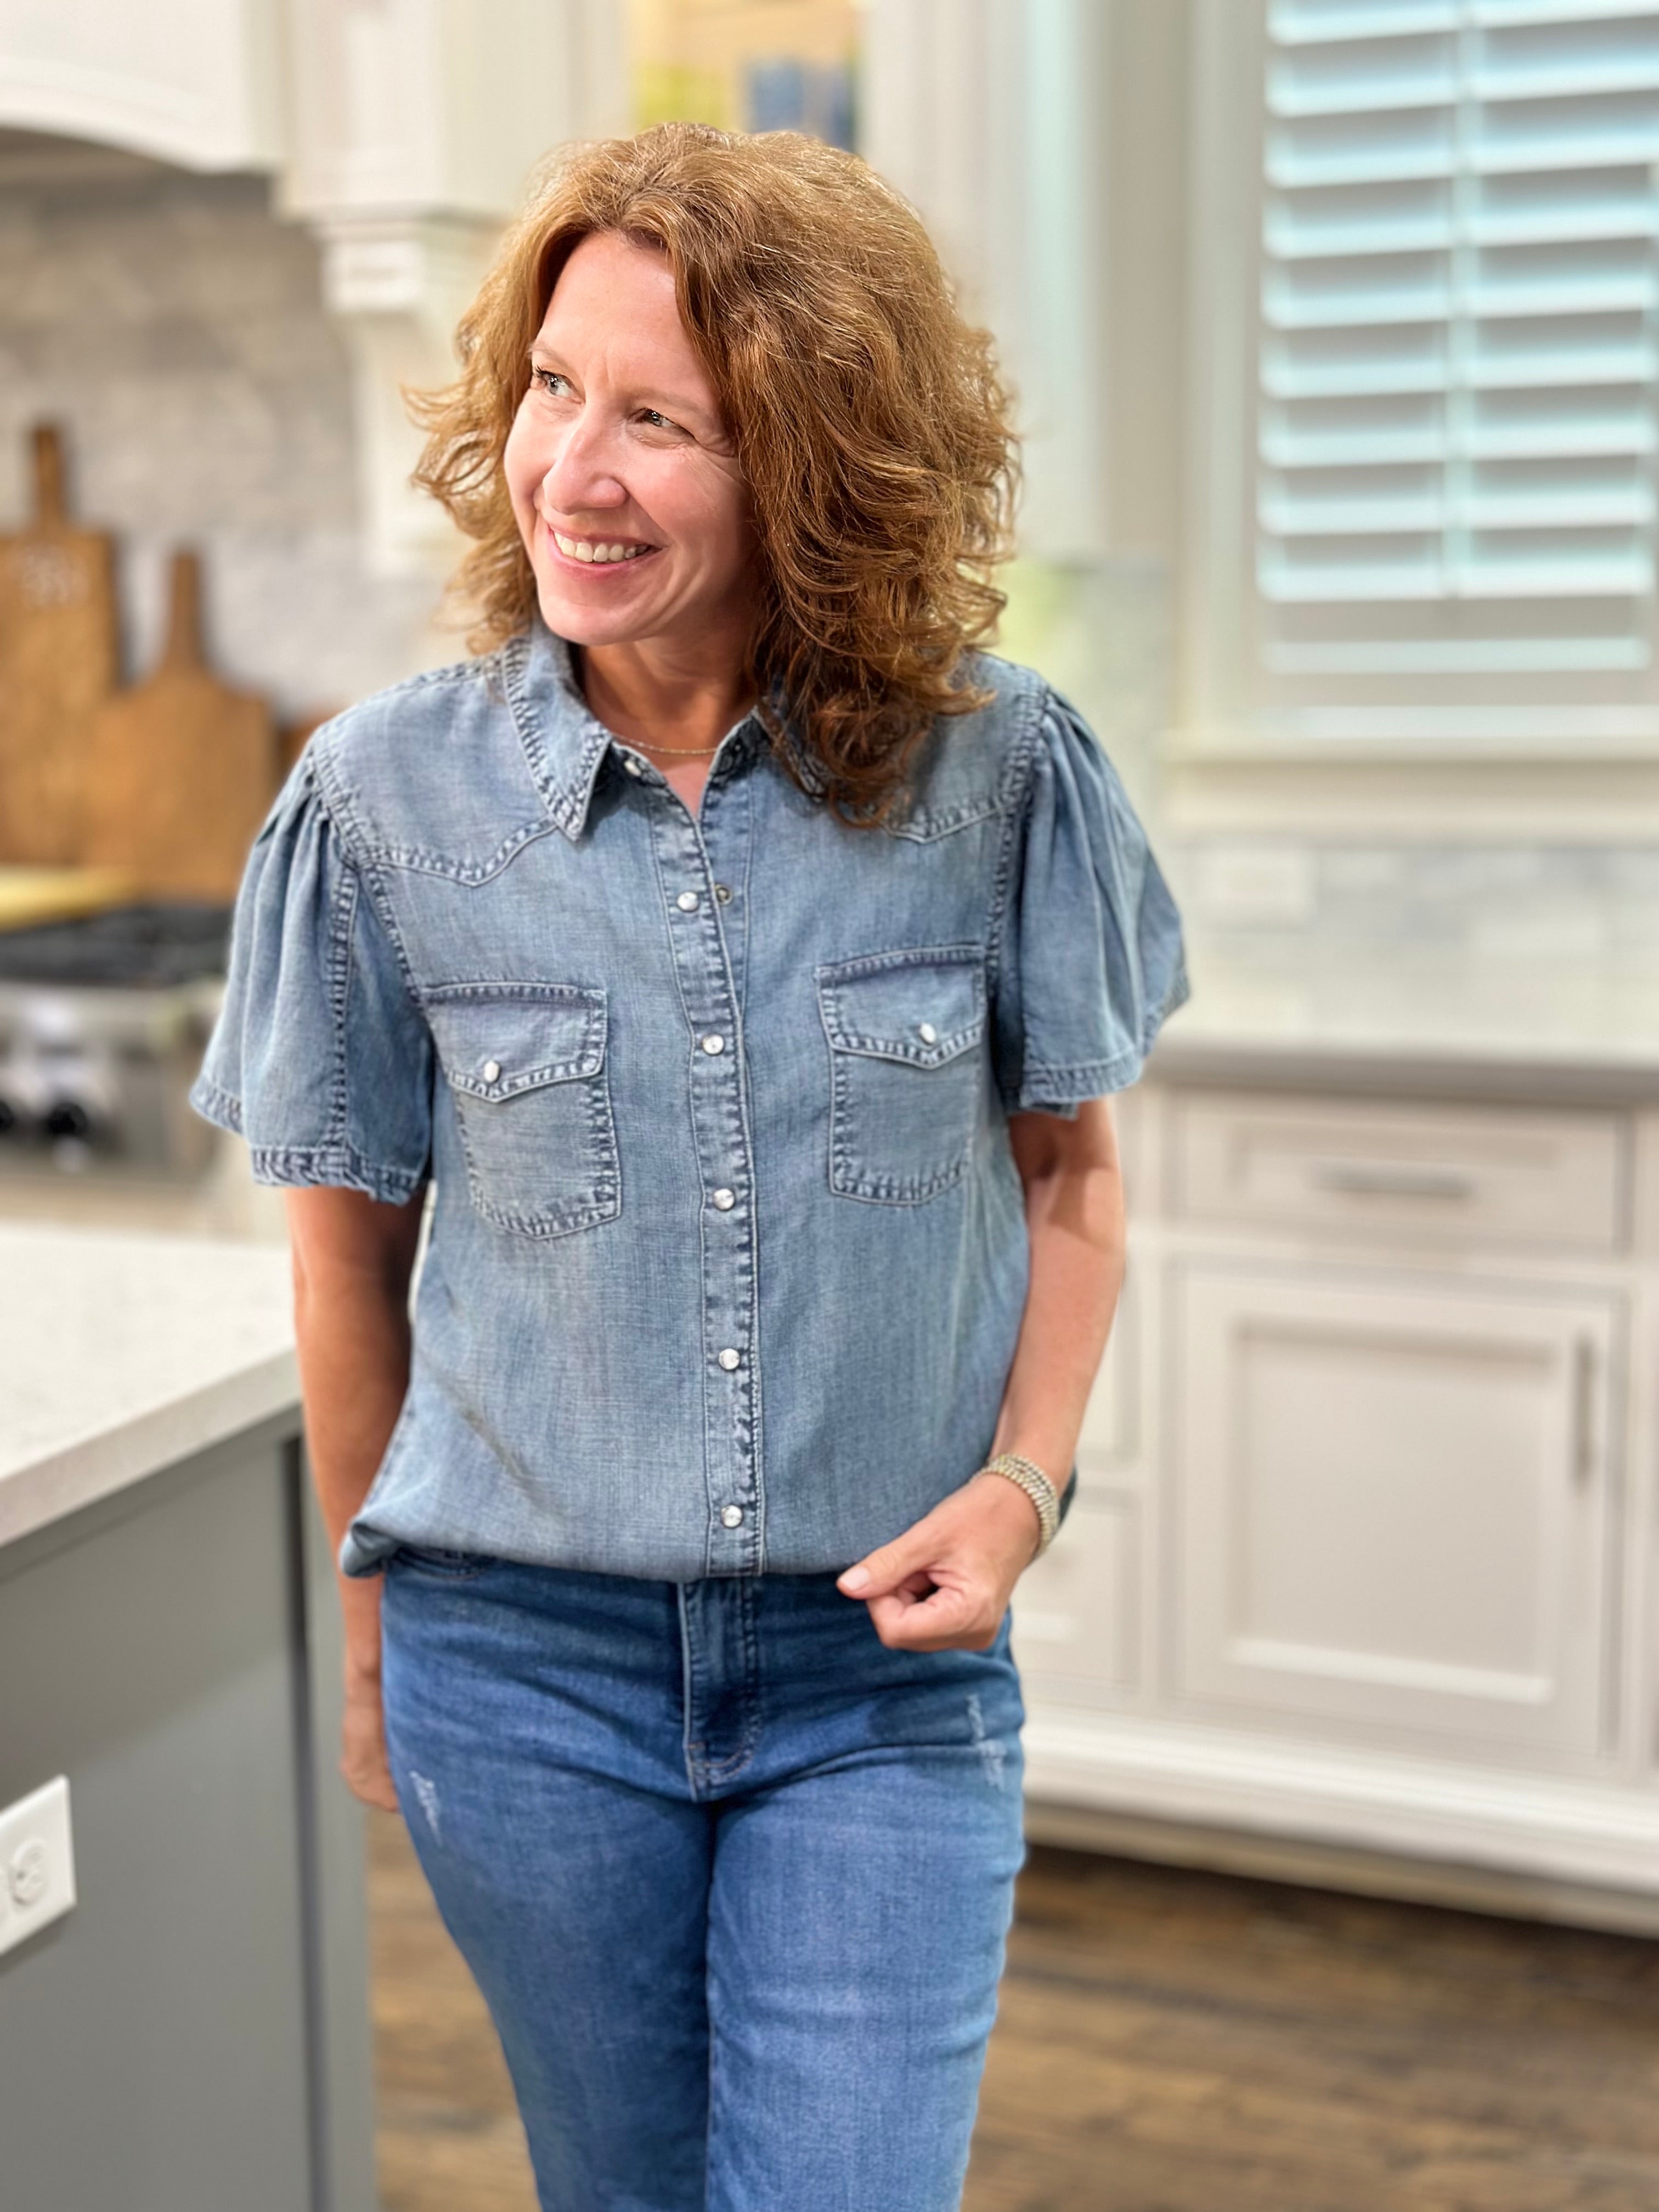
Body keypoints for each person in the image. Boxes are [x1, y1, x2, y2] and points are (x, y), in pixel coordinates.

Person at [191, 121, 1188, 2212]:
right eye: (556, 388)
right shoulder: (378, 805)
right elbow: (346, 1266)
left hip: (877, 1681)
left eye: (663, 421)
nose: (575, 470)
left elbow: (1072, 1176)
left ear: (816, 466)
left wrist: (1023, 1488)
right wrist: (368, 1644)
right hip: (520, 1683)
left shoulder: (998, 772)